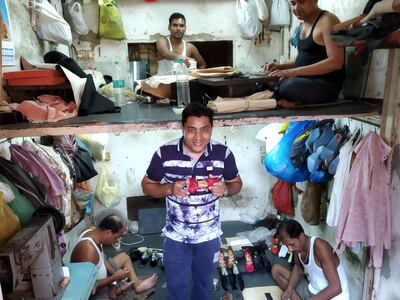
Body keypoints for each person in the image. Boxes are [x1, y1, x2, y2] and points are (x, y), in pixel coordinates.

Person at [141, 103, 242, 300]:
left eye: (205, 130)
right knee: (176, 289)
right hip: (176, 238)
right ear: (182, 128)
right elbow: (147, 185)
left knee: (203, 287)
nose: (198, 138)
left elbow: (236, 183)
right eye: (191, 130)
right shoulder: (165, 153)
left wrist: (226, 189)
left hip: (209, 238)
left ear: (211, 129)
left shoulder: (223, 154)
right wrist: (169, 188)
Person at [265, 0, 345, 108]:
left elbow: (336, 62)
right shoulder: (303, 24)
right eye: (293, 3)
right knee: (265, 81)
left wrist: (294, 72)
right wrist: (280, 67)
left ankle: (283, 98)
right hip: (304, 81)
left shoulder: (328, 21)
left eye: (301, 2)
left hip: (325, 86)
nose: (296, 8)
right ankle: (285, 98)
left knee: (288, 86)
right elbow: (301, 58)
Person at [70, 214, 157, 299]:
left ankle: (137, 284)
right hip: (92, 289)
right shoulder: (88, 251)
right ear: (108, 232)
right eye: (116, 237)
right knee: (110, 296)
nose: (115, 241)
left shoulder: (94, 231)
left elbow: (101, 258)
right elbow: (88, 287)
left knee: (124, 257)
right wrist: (114, 278)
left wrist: (114, 273)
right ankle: (117, 289)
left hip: (98, 273)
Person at [271, 220, 349, 300]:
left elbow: (336, 288)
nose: (290, 249)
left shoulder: (320, 246)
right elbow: (298, 268)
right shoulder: (297, 248)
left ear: (301, 236)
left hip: (331, 296)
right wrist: (289, 289)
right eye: (287, 246)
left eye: (291, 244)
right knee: (276, 270)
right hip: (313, 291)